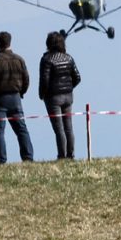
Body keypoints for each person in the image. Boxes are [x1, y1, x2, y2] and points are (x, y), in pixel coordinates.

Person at [0, 31, 34, 164]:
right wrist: (21, 92)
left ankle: (0, 159)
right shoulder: (19, 60)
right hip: (15, 98)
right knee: (21, 129)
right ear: (10, 42)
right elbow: (26, 79)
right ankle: (27, 157)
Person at [39, 31, 82, 159]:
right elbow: (78, 77)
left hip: (53, 98)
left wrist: (42, 94)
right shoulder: (69, 58)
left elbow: (44, 80)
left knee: (59, 129)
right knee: (69, 127)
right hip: (68, 97)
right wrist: (68, 87)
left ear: (48, 44)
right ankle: (71, 154)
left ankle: (61, 156)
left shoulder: (46, 59)